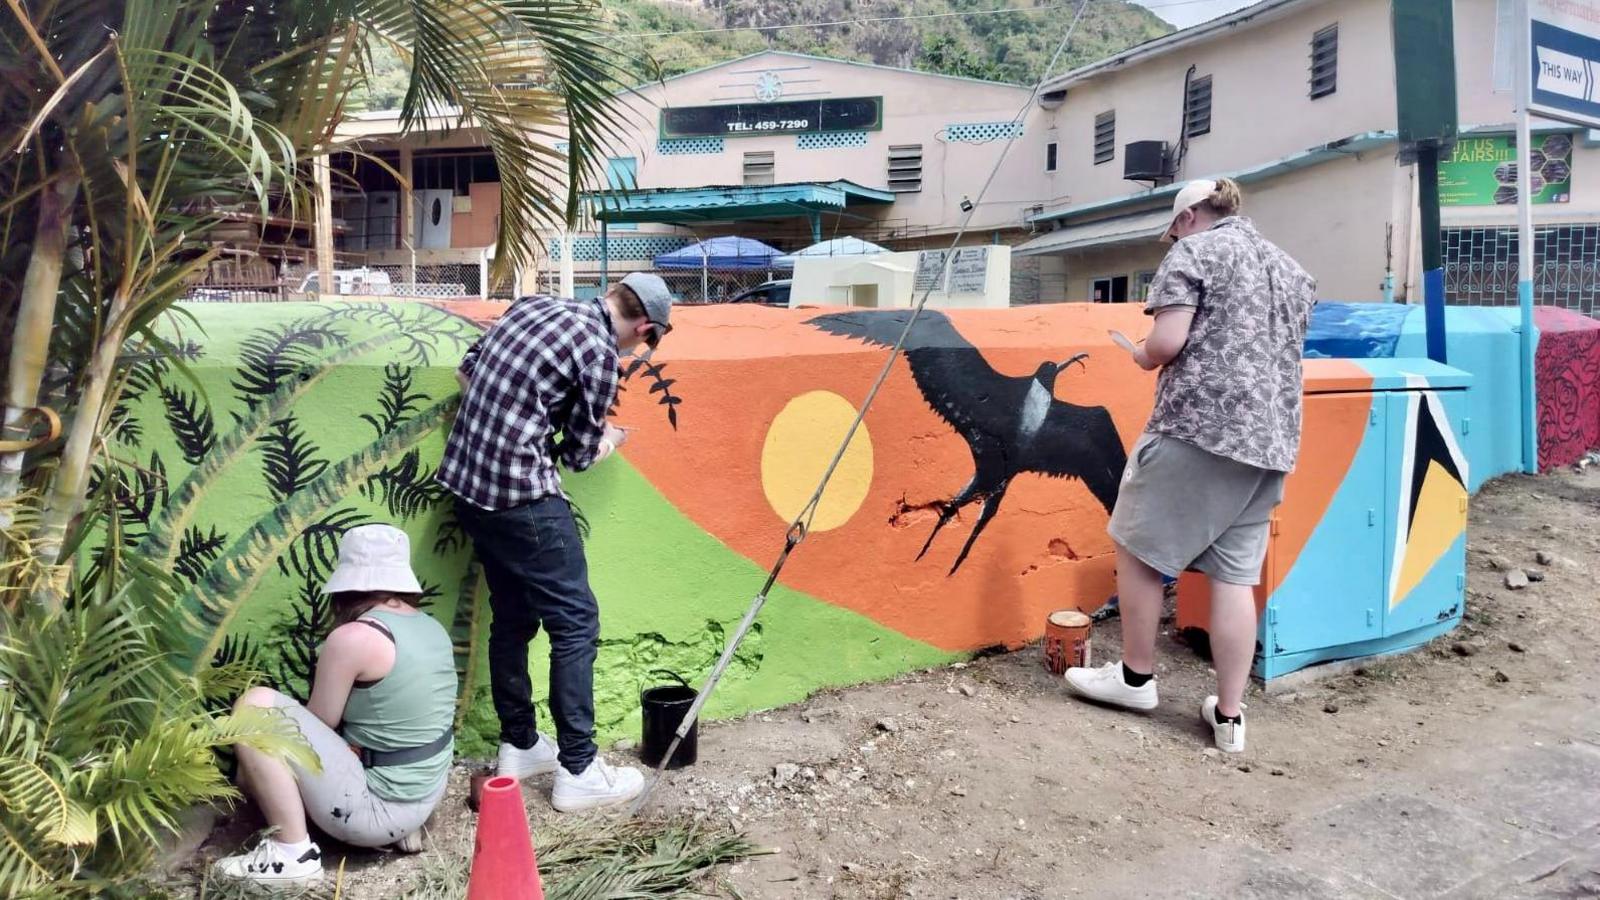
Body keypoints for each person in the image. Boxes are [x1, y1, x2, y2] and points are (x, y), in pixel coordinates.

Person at [1064, 178, 1316, 754]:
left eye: (1174, 226)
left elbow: (1169, 341)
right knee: (1234, 577)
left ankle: (1134, 678)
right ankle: (1229, 717)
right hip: (1271, 441)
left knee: (1138, 544)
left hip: (1200, 427)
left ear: (1189, 217)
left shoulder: (1193, 253)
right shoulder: (1291, 268)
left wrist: (1139, 353)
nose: (1173, 235)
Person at [437, 272, 674, 811]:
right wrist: (612, 438)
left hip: (469, 490)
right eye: (647, 339)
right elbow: (579, 455)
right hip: (523, 500)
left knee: (514, 619)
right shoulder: (597, 352)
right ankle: (578, 769)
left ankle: (520, 744)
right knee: (576, 623)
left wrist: (513, 422)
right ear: (642, 325)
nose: (640, 346)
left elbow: (466, 371)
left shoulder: (533, 305)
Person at [215, 524, 457, 888]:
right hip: (427, 793)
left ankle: (291, 853)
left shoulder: (354, 637)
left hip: (374, 811)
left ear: (347, 583)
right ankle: (403, 830)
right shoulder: (431, 627)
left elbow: (321, 721)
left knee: (256, 704)